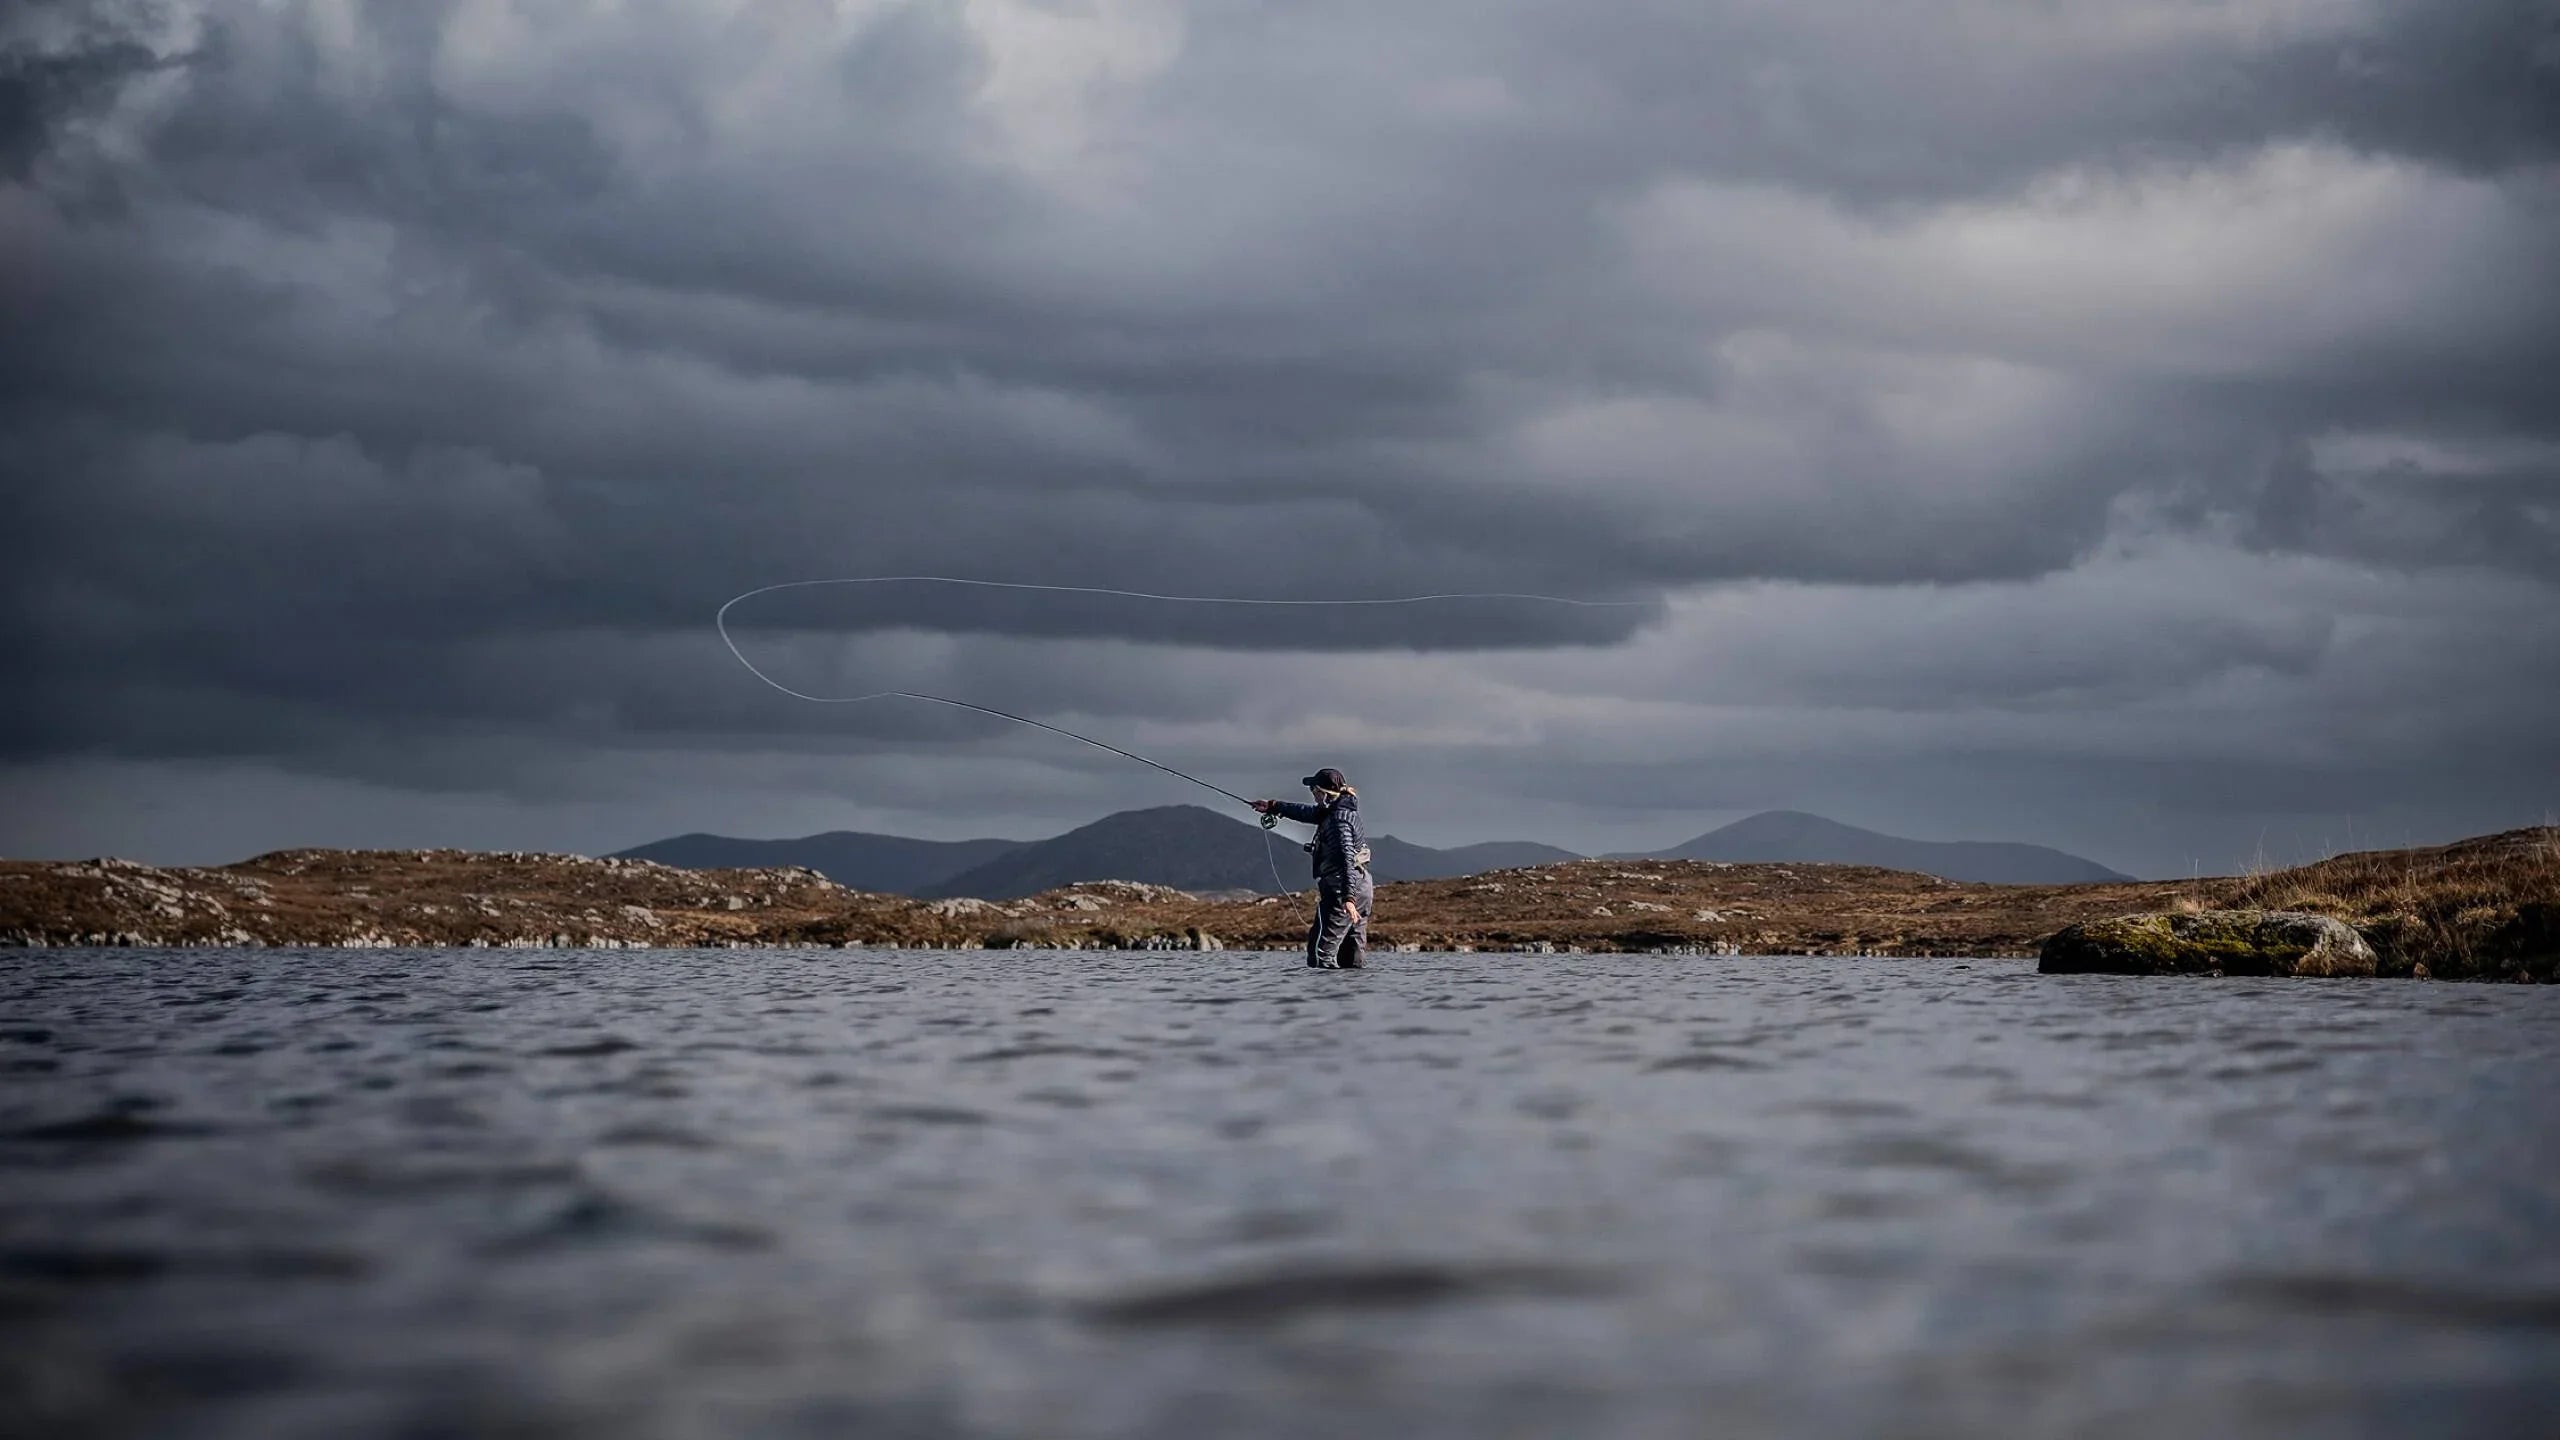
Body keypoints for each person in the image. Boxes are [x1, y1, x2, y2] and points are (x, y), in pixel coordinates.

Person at [1251, 767, 1374, 969]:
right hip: (1362, 888)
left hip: (1342, 890)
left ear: (1323, 793)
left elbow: (1346, 859)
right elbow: (1306, 812)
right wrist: (1273, 806)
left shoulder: (1338, 821)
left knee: (1320, 954)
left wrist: (1348, 899)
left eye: (1314, 790)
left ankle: (1320, 1000)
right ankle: (1352, 997)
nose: (1312, 795)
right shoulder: (1337, 810)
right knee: (1352, 960)